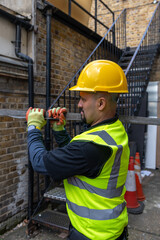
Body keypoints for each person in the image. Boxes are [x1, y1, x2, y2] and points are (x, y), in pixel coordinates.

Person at [26, 60, 130, 240]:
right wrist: (59, 131)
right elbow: (79, 163)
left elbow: (40, 162)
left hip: (91, 233)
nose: (79, 105)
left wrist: (34, 128)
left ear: (101, 103)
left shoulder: (90, 146)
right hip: (114, 229)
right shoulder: (115, 130)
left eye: (83, 99)